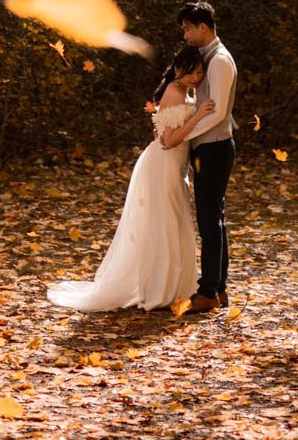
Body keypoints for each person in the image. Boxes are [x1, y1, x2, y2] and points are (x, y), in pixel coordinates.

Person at [46, 46, 214, 313]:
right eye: (192, 71)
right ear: (179, 69)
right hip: (164, 165)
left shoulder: (184, 90)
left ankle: (174, 287)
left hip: (173, 165)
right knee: (164, 224)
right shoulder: (174, 91)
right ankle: (159, 291)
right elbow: (169, 140)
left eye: (200, 72)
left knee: (172, 222)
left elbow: (163, 131)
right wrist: (199, 116)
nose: (196, 77)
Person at [161, 0, 237, 316]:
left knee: (210, 218)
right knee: (211, 216)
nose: (186, 36)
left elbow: (218, 111)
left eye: (187, 29)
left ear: (202, 27)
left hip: (215, 146)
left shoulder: (219, 61)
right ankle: (217, 288)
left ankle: (209, 291)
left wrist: (184, 136)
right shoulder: (205, 58)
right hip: (205, 145)